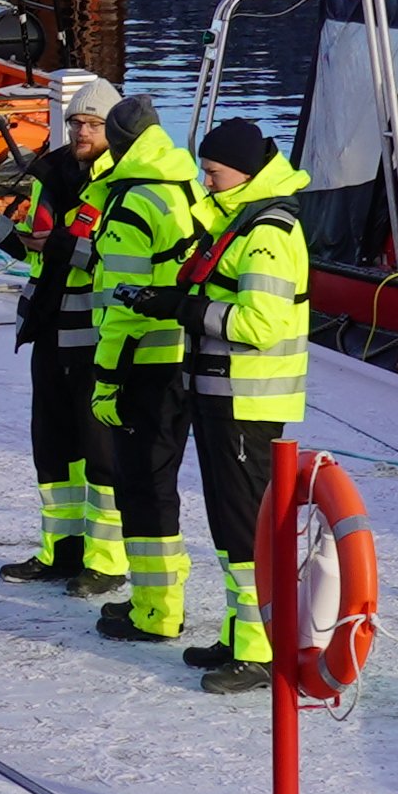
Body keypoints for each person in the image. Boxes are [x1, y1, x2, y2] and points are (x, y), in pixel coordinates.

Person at [180, 117, 311, 689]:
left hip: (247, 401)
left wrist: (187, 312)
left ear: (245, 171)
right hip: (223, 394)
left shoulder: (269, 232)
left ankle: (261, 652)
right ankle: (242, 633)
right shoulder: (240, 218)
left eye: (213, 172)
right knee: (228, 526)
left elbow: (261, 323)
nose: (206, 182)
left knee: (245, 529)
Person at [83, 97, 211, 645]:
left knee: (143, 489)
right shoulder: (186, 187)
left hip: (143, 363)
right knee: (159, 484)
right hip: (186, 355)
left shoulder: (133, 202)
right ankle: (155, 601)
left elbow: (122, 304)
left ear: (118, 141)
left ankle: (155, 611)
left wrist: (106, 378)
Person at [0, 69, 116, 587]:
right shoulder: (51, 172)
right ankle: (60, 552)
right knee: (54, 451)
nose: (82, 132)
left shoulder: (120, 183)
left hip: (96, 335)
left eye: (93, 124)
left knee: (100, 455)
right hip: (48, 330)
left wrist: (62, 245)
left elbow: (112, 257)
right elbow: (29, 248)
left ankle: (105, 563)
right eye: (76, 122)